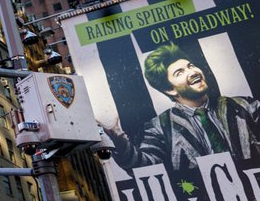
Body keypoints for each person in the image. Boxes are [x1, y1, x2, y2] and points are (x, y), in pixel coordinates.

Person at [103, 45, 260, 171]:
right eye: (180, 73)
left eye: (191, 66)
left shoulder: (244, 105)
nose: (192, 72)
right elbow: (144, 165)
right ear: (170, 90)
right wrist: (120, 142)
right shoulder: (159, 127)